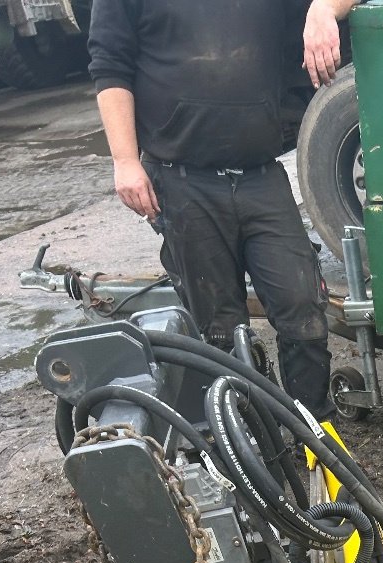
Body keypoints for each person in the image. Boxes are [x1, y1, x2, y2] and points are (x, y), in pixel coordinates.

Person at [88, 0, 360, 417]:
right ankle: (245, 439)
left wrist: (324, 8)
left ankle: (315, 436)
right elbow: (110, 65)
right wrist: (125, 160)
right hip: (181, 180)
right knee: (219, 329)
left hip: (260, 175)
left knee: (302, 308)